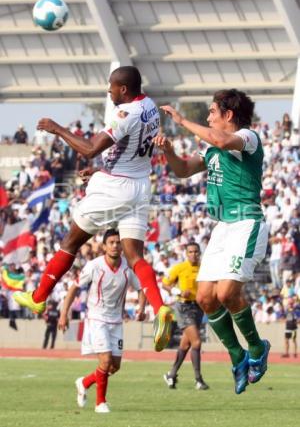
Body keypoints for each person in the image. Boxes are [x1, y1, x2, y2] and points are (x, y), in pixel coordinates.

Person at [14, 65, 172, 352]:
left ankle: (38, 297)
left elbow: (88, 149)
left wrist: (57, 129)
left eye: (111, 86)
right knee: (136, 256)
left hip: (115, 188)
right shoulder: (148, 105)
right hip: (139, 186)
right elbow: (123, 151)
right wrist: (100, 171)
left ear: (123, 89)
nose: (108, 90)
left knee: (70, 242)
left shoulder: (126, 114)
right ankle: (160, 308)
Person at [153, 88, 270, 394]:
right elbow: (182, 171)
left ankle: (257, 348)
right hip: (222, 228)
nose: (207, 118)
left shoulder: (248, 137)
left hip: (247, 222)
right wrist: (168, 151)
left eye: (211, 112)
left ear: (228, 115)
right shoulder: (211, 150)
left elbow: (219, 139)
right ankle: (238, 356)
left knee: (228, 291)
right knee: (205, 297)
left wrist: (180, 120)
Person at [58, 228, 146, 413]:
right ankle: (100, 403)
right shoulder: (94, 266)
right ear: (104, 246)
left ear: (122, 246)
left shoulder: (128, 267)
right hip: (97, 318)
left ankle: (84, 382)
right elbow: (74, 288)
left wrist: (141, 308)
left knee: (114, 367)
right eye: (111, 242)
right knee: (105, 362)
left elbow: (141, 288)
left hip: (116, 321)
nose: (115, 245)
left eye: (118, 242)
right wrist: (63, 314)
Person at [162, 242, 209, 390]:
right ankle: (198, 379)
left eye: (196, 252)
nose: (193, 254)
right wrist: (179, 292)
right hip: (184, 306)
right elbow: (165, 284)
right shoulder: (180, 268)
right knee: (196, 343)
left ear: (199, 253)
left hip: (198, 307)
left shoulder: (204, 268)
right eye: (190, 252)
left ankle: (171, 374)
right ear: (186, 253)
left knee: (185, 344)